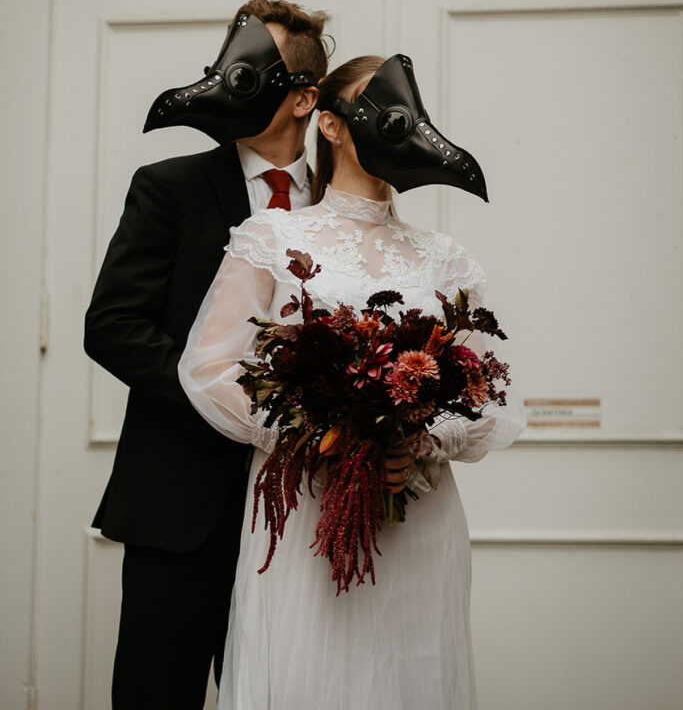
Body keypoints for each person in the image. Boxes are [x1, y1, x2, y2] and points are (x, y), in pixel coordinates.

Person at [178, 53, 526, 710]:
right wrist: (318, 434)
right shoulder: (271, 236)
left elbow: (490, 399)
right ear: (333, 125)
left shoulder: (444, 257)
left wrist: (416, 442)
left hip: (416, 517)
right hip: (307, 512)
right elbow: (209, 368)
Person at [83, 0, 329, 710]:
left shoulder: (337, 210)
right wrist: (230, 406)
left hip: (306, 517)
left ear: (304, 97)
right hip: (182, 509)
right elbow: (113, 324)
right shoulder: (171, 189)